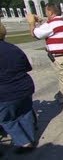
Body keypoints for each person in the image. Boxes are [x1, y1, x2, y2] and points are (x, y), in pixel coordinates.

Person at [26, 3, 63, 107]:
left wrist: (31, 23)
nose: (45, 13)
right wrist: (39, 22)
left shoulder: (52, 24)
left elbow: (34, 34)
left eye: (46, 11)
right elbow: (46, 29)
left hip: (60, 56)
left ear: (50, 12)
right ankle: (61, 95)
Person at [0, 23, 36, 152]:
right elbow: (27, 67)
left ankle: (24, 142)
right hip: (24, 86)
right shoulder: (14, 48)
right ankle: (30, 138)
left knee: (5, 119)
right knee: (25, 113)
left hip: (6, 91)